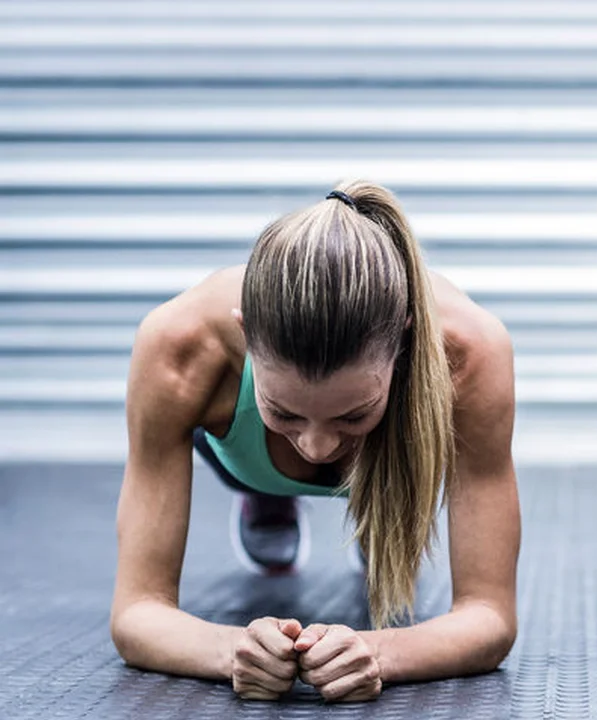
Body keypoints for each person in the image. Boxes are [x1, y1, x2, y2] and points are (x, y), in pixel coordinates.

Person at [111, 181, 520, 702]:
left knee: (386, 557)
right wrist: (232, 650)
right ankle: (266, 490)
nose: (318, 447)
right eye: (283, 411)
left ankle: (373, 495)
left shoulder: (469, 352)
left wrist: (379, 652)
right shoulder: (179, 345)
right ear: (246, 334)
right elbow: (135, 611)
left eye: (352, 415)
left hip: (394, 457)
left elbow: (489, 616)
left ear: (403, 342)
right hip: (243, 457)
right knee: (278, 443)